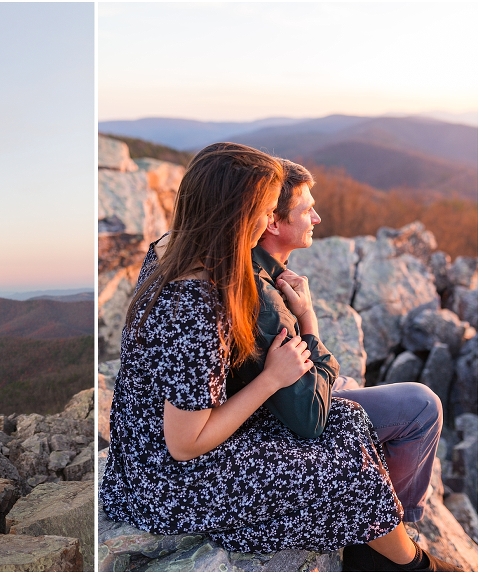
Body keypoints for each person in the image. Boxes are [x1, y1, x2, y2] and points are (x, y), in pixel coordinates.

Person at [99, 143, 460, 572]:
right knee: (345, 471)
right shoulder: (195, 303)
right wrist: (271, 379)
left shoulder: (173, 251)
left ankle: (373, 543)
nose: (271, 222)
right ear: (236, 214)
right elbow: (183, 444)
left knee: (349, 423)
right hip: (166, 481)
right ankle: (412, 564)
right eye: (267, 211)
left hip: (146, 453)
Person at [231, 158, 454, 571]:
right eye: (306, 210)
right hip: (274, 424)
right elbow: (309, 417)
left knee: (349, 380)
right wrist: (310, 323)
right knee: (423, 406)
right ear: (273, 224)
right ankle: (386, 540)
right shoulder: (266, 301)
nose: (317, 217)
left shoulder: (264, 276)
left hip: (276, 405)